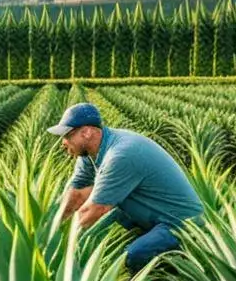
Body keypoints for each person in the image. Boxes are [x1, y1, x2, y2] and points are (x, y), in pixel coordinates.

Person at [48, 102, 204, 272]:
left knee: (130, 255)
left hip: (180, 222)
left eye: (67, 135)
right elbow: (76, 195)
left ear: (86, 132)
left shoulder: (121, 155)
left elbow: (96, 209)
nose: (63, 142)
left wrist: (56, 247)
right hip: (151, 214)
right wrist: (50, 227)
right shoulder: (87, 154)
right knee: (97, 229)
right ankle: (148, 242)